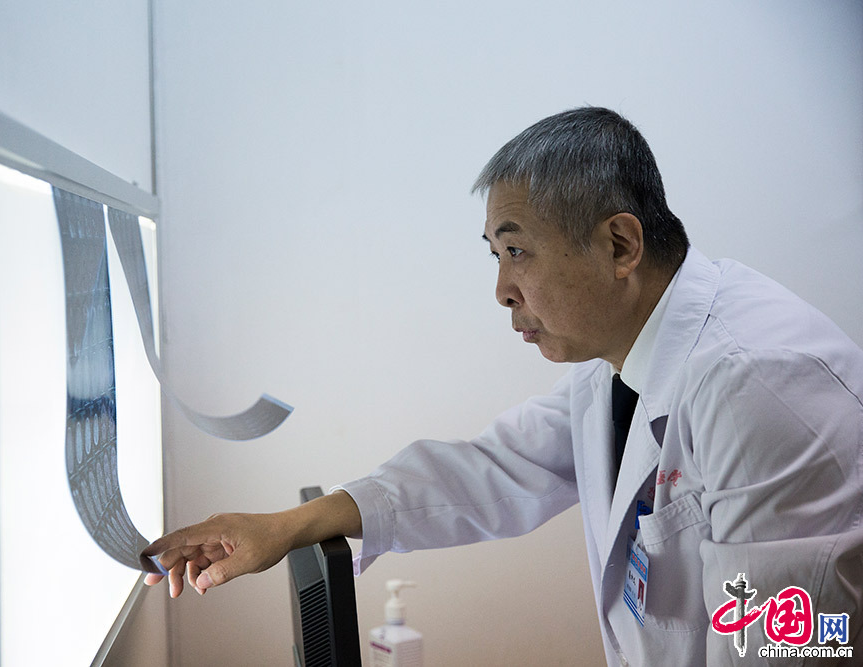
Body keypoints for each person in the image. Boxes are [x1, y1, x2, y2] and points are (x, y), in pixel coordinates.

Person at [143, 107, 863, 665]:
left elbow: (791, 651)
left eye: (518, 250)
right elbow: (491, 468)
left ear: (620, 245)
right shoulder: (623, 363)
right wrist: (285, 526)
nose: (501, 289)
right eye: (496, 254)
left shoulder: (755, 383)